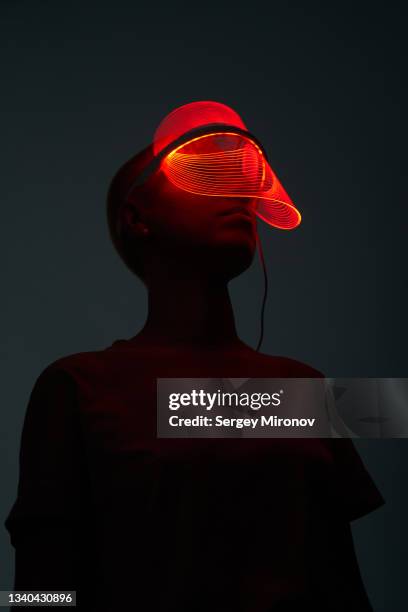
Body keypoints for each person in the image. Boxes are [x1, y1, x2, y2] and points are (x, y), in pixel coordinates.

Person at [5, 101, 385, 611]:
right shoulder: (78, 386)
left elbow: (342, 581)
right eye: (204, 170)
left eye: (243, 175)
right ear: (138, 219)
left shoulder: (302, 389)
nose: (239, 193)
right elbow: (41, 581)